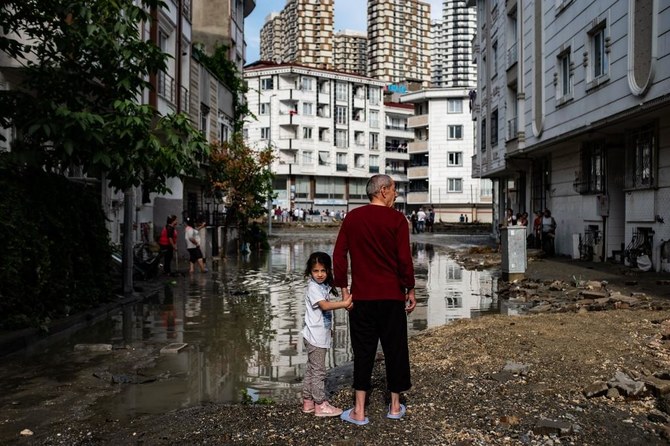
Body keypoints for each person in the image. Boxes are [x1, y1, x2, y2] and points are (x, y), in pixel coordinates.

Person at [333, 174, 416, 425]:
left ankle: (359, 410)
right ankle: (393, 406)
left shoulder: (353, 218)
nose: (395, 195)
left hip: (362, 299)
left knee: (363, 352)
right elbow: (404, 259)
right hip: (391, 297)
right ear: (382, 191)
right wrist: (410, 289)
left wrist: (344, 290)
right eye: (393, 191)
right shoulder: (397, 220)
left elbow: (339, 254)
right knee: (395, 350)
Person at [301, 252, 352, 417]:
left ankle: (308, 401)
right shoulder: (313, 287)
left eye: (323, 270)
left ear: (328, 270)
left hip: (316, 334)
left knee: (311, 369)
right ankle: (320, 404)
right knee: (319, 371)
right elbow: (324, 306)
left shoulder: (322, 285)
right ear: (310, 271)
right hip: (315, 337)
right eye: (316, 271)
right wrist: (344, 303)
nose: (320, 274)